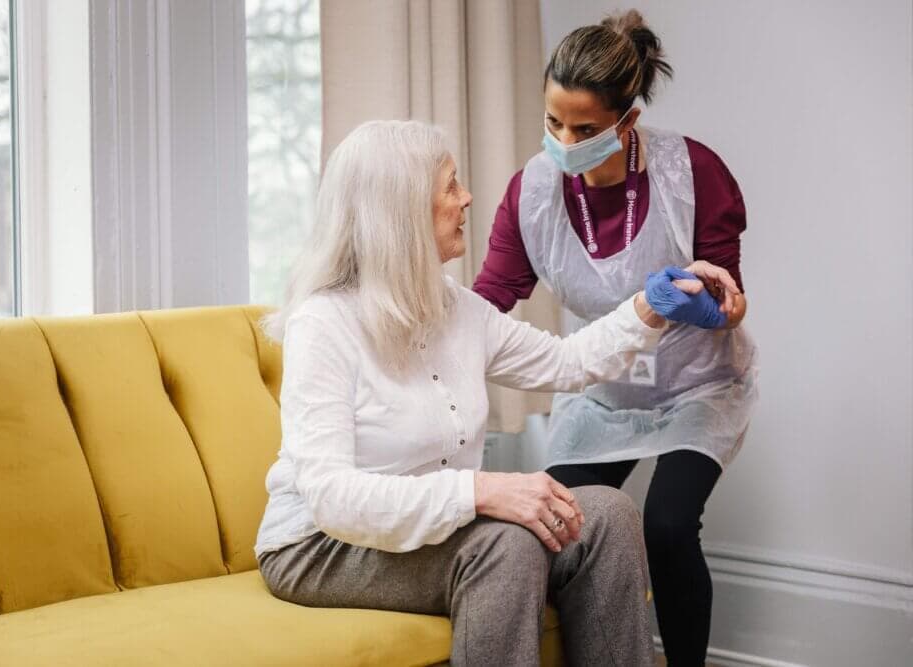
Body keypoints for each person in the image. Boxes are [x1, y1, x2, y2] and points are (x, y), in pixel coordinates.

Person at [255, 119, 732, 666]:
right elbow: (334, 499)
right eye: (451, 186)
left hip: (437, 525)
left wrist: (650, 305)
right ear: (404, 212)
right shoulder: (324, 323)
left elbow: (567, 361)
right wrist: (479, 492)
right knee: (505, 543)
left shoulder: (456, 308)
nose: (468, 198)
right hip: (321, 545)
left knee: (608, 515)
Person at [472, 10, 759, 666]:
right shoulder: (533, 194)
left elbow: (726, 302)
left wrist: (710, 303)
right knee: (555, 521)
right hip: (602, 389)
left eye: (584, 129)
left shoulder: (693, 174)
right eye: (552, 122)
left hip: (696, 386)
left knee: (666, 524)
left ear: (627, 122)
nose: (564, 142)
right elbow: (492, 296)